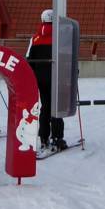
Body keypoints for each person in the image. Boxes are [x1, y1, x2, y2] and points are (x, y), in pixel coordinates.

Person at [26, 9, 66, 153]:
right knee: (56, 107)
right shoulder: (60, 37)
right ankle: (57, 138)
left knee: (45, 106)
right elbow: (65, 57)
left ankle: (43, 137)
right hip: (57, 77)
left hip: (41, 79)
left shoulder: (34, 39)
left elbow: (29, 60)